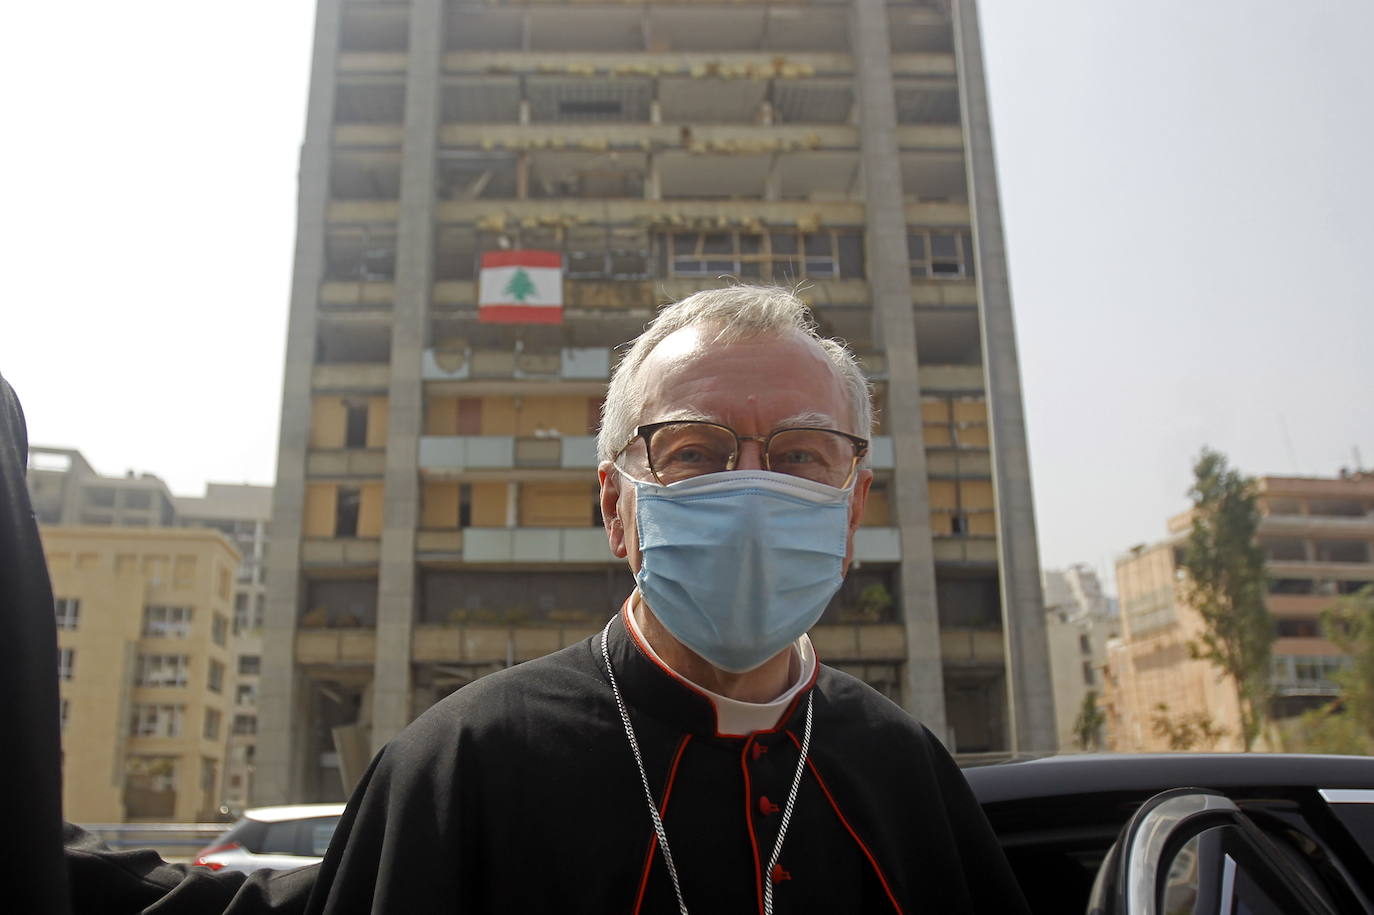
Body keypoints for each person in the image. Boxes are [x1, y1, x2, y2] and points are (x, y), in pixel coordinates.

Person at [36, 286, 1027, 913]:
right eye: (696, 454)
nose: (753, 490)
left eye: (802, 458)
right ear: (616, 507)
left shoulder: (906, 772)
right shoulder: (465, 758)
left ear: (852, 507)